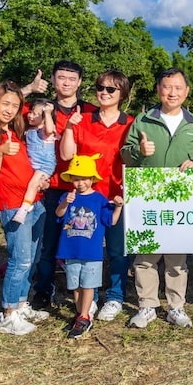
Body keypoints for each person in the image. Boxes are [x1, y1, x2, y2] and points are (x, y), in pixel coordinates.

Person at [121, 68, 193, 329]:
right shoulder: (144, 121)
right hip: (149, 196)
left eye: (178, 87)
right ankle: (147, 305)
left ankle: (176, 306)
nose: (172, 92)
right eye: (167, 87)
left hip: (181, 199)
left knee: (176, 255)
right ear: (158, 89)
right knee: (146, 255)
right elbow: (125, 154)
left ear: (186, 92)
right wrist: (139, 150)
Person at [60, 70, 134, 322]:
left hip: (114, 196)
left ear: (122, 93)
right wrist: (70, 127)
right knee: (83, 249)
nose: (103, 92)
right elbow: (67, 154)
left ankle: (114, 296)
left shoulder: (131, 123)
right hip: (85, 197)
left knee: (116, 250)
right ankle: (86, 299)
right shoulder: (84, 119)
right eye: (100, 87)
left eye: (110, 89)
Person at [0, 81, 52, 336]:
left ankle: (22, 304)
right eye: (5, 104)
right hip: (12, 204)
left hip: (35, 202)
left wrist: (30, 90)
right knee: (19, 259)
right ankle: (8, 314)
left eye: (15, 105)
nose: (10, 109)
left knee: (31, 258)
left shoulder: (17, 128)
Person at [31, 61, 98, 311]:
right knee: (48, 244)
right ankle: (44, 290)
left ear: (80, 82)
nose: (66, 82)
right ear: (53, 79)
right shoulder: (42, 108)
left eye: (72, 78)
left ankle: (87, 294)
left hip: (84, 187)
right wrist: (29, 89)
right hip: (53, 185)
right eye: (61, 78)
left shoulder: (91, 111)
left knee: (83, 241)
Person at [55, 155, 124, 339]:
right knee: (75, 285)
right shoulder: (67, 197)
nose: (80, 183)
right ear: (70, 180)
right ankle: (81, 315)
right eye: (76, 179)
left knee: (88, 285)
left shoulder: (99, 200)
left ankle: (85, 316)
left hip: (92, 253)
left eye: (84, 179)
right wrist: (65, 202)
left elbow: (111, 220)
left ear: (92, 179)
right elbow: (58, 213)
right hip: (70, 250)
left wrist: (118, 207)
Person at [11, 97, 56, 224]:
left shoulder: (46, 132)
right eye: (31, 112)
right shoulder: (29, 130)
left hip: (44, 166)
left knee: (33, 184)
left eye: (36, 114)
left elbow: (49, 129)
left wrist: (47, 113)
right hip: (33, 165)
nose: (31, 116)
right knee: (31, 184)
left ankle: (24, 209)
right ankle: (29, 203)